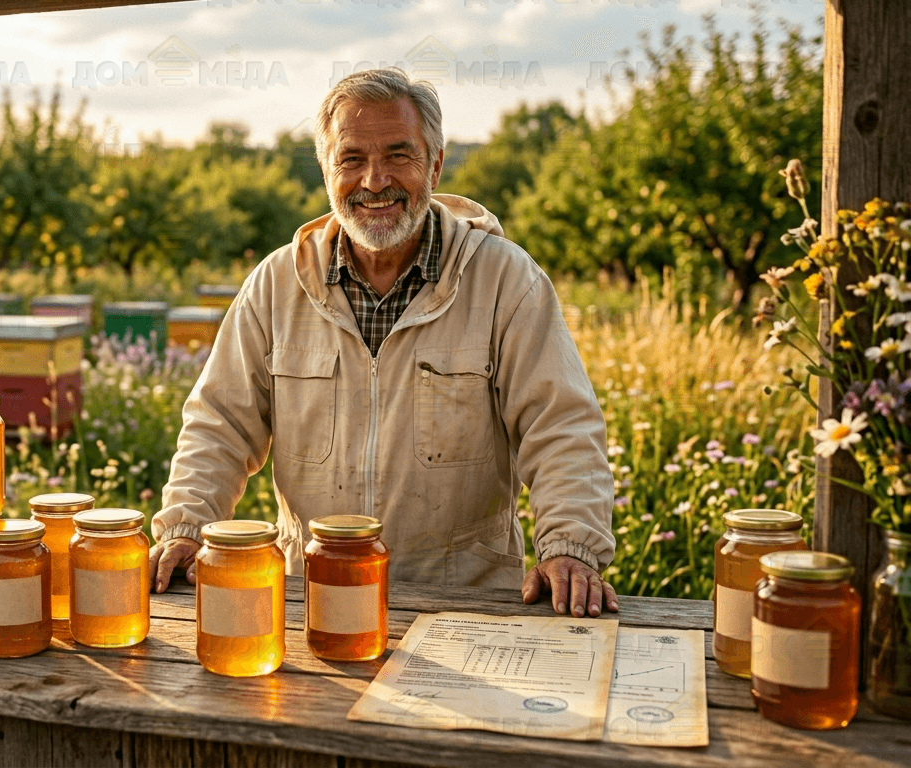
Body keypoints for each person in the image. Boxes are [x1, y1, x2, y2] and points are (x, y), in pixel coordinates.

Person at [149, 68, 618, 618]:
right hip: (315, 600)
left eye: (399, 156)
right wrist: (186, 525)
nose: (374, 181)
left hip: (467, 608)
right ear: (327, 171)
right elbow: (219, 425)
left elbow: (559, 424)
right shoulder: (277, 285)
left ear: (436, 165)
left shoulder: (506, 281)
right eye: (351, 160)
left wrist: (570, 546)